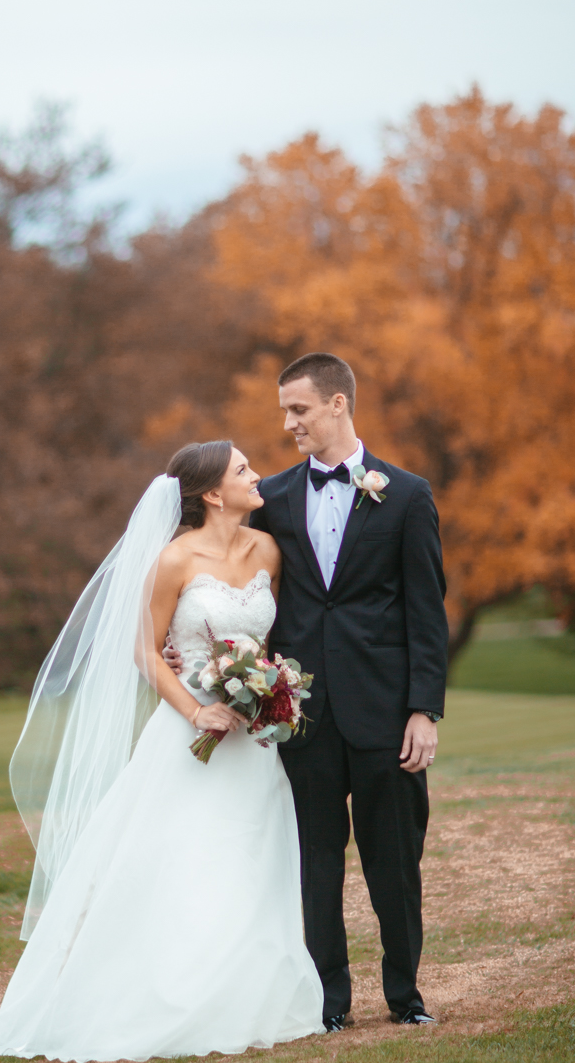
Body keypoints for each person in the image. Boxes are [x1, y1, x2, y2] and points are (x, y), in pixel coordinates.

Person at [0, 441, 324, 1063]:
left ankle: (248, 994)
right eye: (244, 470)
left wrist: (267, 692)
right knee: (184, 860)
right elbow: (145, 652)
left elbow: (266, 640)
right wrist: (198, 708)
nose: (258, 478)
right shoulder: (172, 561)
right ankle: (167, 995)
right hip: (189, 735)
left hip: (251, 740)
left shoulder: (267, 551)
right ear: (214, 494)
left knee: (251, 852)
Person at [168, 354, 448, 1028]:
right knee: (314, 864)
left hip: (385, 713)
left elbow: (426, 611)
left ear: (336, 406)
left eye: (297, 409)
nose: (287, 423)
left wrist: (424, 709)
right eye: (283, 411)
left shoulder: (407, 495)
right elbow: (229, 569)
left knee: (394, 862)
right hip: (297, 718)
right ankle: (328, 1002)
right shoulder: (276, 499)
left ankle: (405, 998)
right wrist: (188, 639)